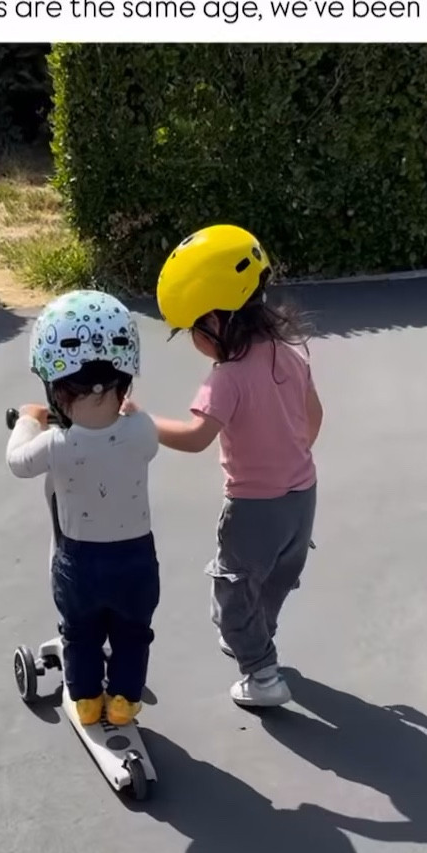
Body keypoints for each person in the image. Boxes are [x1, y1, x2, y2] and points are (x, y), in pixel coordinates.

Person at [135, 224, 323, 708]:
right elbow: (314, 415)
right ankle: (260, 637)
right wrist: (288, 457)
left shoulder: (226, 378)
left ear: (217, 320)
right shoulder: (290, 351)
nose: (194, 340)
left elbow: (197, 439)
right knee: (277, 576)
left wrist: (141, 422)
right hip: (302, 500)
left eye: (192, 329)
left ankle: (262, 676)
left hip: (253, 509)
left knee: (233, 593)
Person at [6, 290, 160, 728]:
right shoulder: (142, 431)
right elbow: (136, 425)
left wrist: (28, 420)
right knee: (133, 634)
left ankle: (88, 700)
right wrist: (128, 412)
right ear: (126, 378)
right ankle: (124, 702)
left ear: (55, 388)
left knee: (81, 632)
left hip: (81, 562)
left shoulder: (56, 443)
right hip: (136, 562)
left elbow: (18, 462)